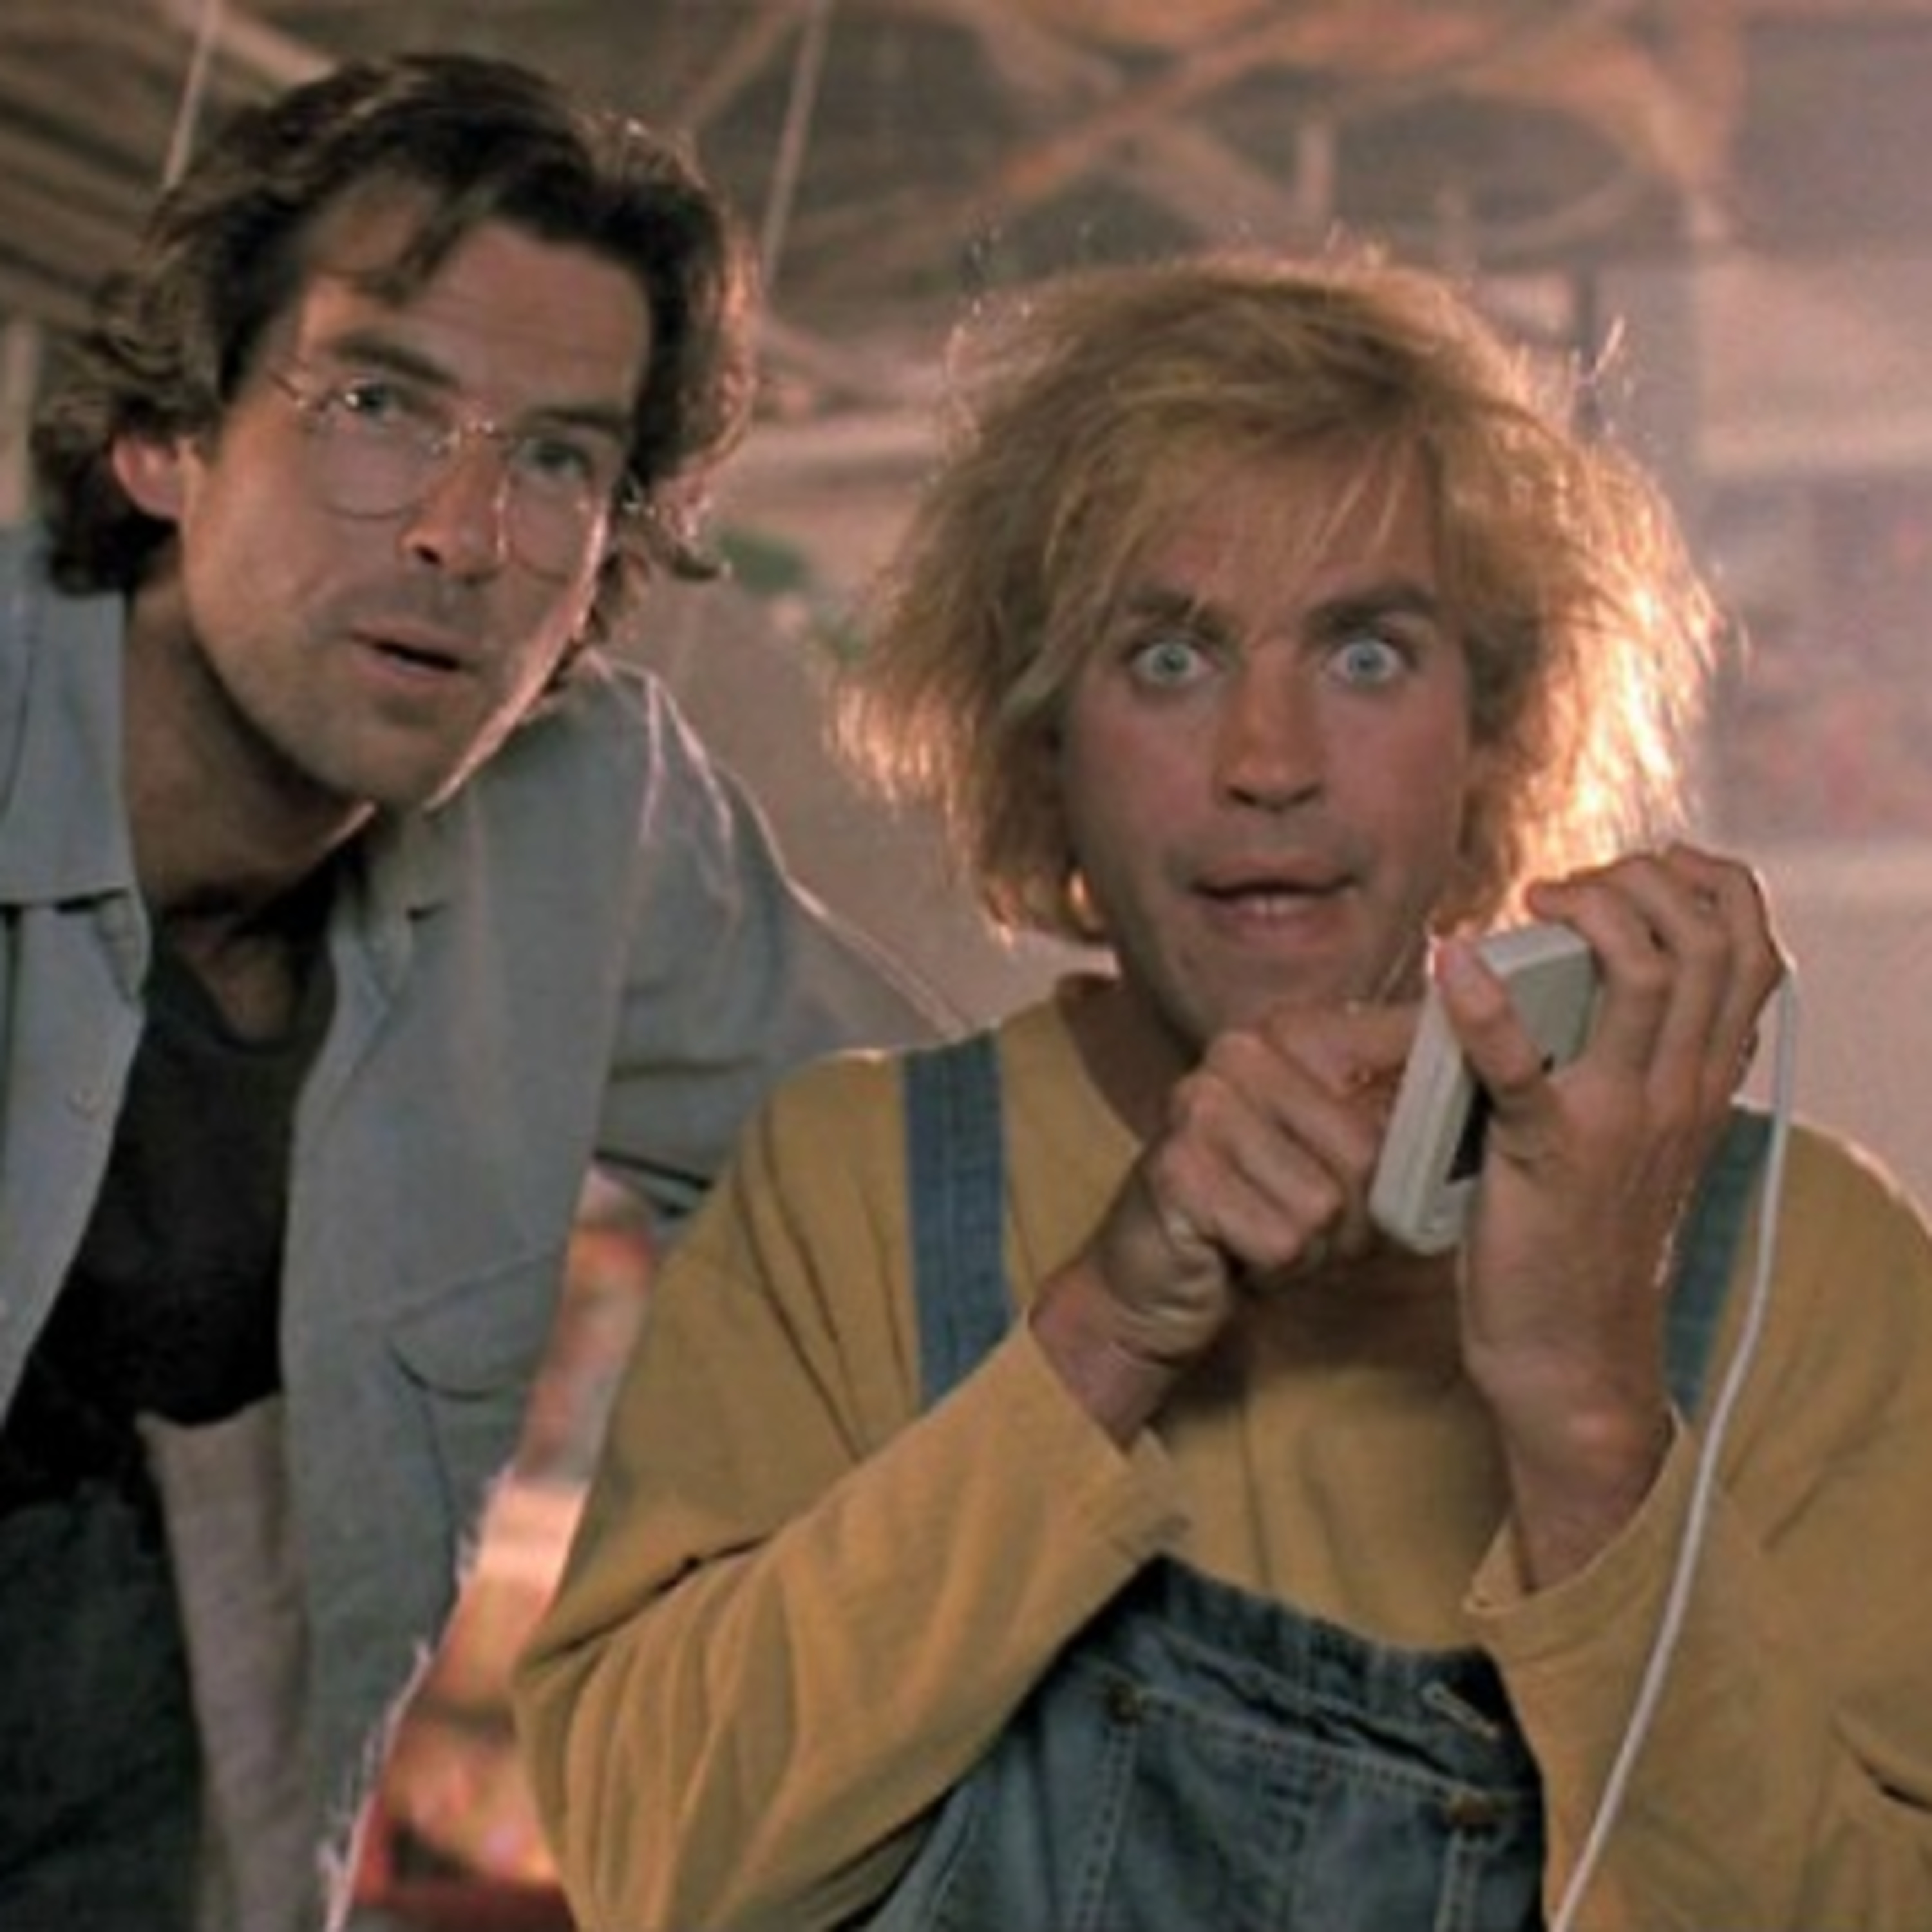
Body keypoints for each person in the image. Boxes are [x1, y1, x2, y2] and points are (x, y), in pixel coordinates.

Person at [514, 246, 1932, 1931]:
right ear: (1040, 735)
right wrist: (1099, 1339)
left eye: (1366, 655)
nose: (1268, 763)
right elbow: (656, 1876)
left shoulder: (1797, 1265)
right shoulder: (853, 1185)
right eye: (1169, 659)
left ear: (1495, 727)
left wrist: (1589, 1414)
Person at [0, 48, 939, 1932]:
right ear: (167, 441)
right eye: (377, 405)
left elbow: (943, 1185)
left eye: (558, 460)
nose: (461, 532)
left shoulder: (586, 816)